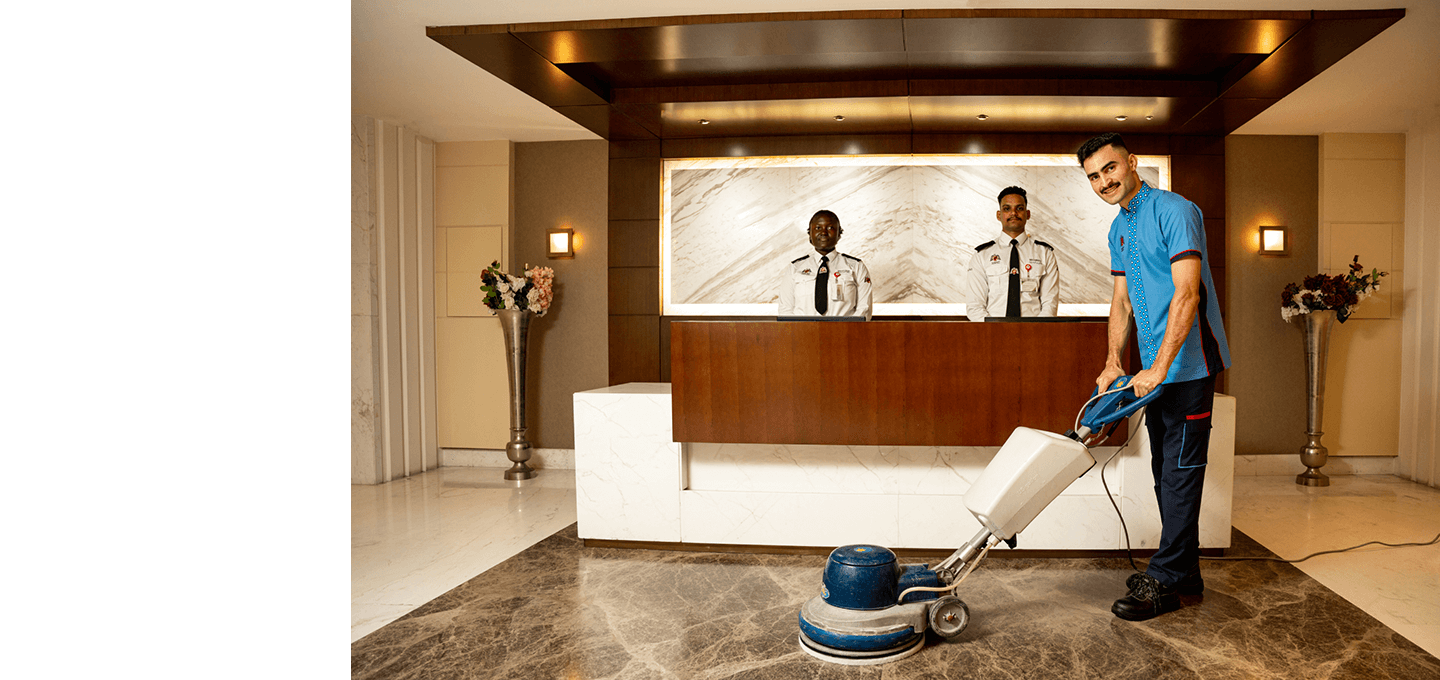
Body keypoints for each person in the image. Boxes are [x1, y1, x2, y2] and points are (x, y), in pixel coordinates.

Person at [1078, 132, 1231, 621]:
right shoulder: (1117, 229)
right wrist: (1113, 361)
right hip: (1152, 373)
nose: (1104, 181)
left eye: (1109, 168)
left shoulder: (1175, 210)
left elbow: (1187, 294)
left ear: (1132, 162)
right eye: (1093, 176)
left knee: (1181, 472)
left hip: (1188, 367)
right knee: (1165, 473)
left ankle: (1164, 578)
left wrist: (1161, 367)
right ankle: (1185, 574)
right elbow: (1121, 301)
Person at [965, 186, 1061, 321]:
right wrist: (995, 331)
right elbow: (975, 307)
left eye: (1019, 208)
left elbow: (1050, 305)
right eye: (1007, 209)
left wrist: (1035, 330)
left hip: (1033, 331)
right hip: (993, 331)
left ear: (1028, 214)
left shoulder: (1045, 253)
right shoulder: (982, 255)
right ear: (999, 215)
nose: (1013, 213)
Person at [777, 210, 872, 320]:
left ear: (839, 234)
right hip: (803, 331)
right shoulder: (795, 268)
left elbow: (864, 309)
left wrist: (844, 330)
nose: (823, 232)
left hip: (844, 331)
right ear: (810, 234)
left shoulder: (856, 267)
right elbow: (785, 310)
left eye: (830, 228)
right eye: (818, 228)